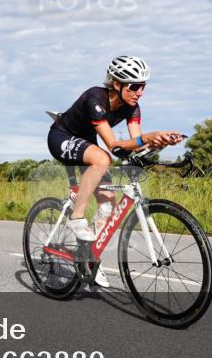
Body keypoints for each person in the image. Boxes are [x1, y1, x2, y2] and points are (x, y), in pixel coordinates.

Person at [47, 56, 184, 287]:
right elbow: (113, 145)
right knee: (103, 159)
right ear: (116, 84)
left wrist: (158, 142)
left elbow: (135, 143)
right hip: (62, 136)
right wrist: (147, 137)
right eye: (134, 86)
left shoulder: (132, 107)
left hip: (87, 143)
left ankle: (88, 257)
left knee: (107, 204)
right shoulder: (95, 98)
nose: (140, 92)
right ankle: (76, 217)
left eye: (143, 86)